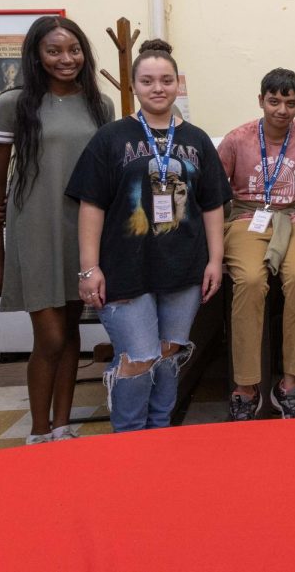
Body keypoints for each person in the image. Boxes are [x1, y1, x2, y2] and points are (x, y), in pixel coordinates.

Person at [66, 39, 231, 432]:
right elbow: (91, 205)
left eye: (166, 80)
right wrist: (89, 269)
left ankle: (160, 432)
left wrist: (214, 260)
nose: (158, 88)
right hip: (125, 266)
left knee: (168, 353)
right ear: (134, 86)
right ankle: (129, 439)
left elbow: (212, 205)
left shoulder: (197, 140)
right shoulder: (111, 138)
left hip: (184, 267)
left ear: (178, 84)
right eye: (147, 80)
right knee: (138, 356)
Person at [0, 16, 114, 445]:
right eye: (54, 51)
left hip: (83, 230)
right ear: (36, 55)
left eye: (74, 50)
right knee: (51, 335)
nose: (66, 59)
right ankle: (38, 430)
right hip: (35, 229)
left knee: (72, 329)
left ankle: (63, 426)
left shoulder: (101, 105)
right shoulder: (13, 104)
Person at [218, 68, 295, 420]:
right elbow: (216, 191)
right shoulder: (237, 139)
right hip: (248, 217)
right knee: (249, 281)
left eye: (290, 103)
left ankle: (292, 382)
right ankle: (246, 386)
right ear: (261, 100)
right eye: (274, 101)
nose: (281, 109)